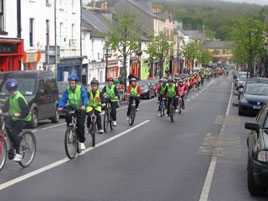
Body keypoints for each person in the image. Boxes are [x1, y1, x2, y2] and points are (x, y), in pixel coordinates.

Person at [0, 79, 31, 161]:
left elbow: (26, 111)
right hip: (14, 118)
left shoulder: (19, 98)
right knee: (6, 125)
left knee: (14, 132)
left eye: (13, 90)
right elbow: (6, 106)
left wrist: (20, 115)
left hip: (24, 118)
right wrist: (2, 110)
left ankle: (18, 153)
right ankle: (13, 143)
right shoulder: (11, 97)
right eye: (10, 90)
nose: (11, 91)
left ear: (16, 89)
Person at [58, 75, 88, 150]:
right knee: (68, 115)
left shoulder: (81, 89)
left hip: (81, 107)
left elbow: (85, 97)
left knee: (80, 125)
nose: (71, 85)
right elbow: (63, 99)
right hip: (72, 106)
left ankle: (81, 142)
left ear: (76, 83)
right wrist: (60, 106)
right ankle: (70, 128)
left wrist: (84, 105)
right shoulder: (67, 90)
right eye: (70, 83)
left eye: (72, 83)